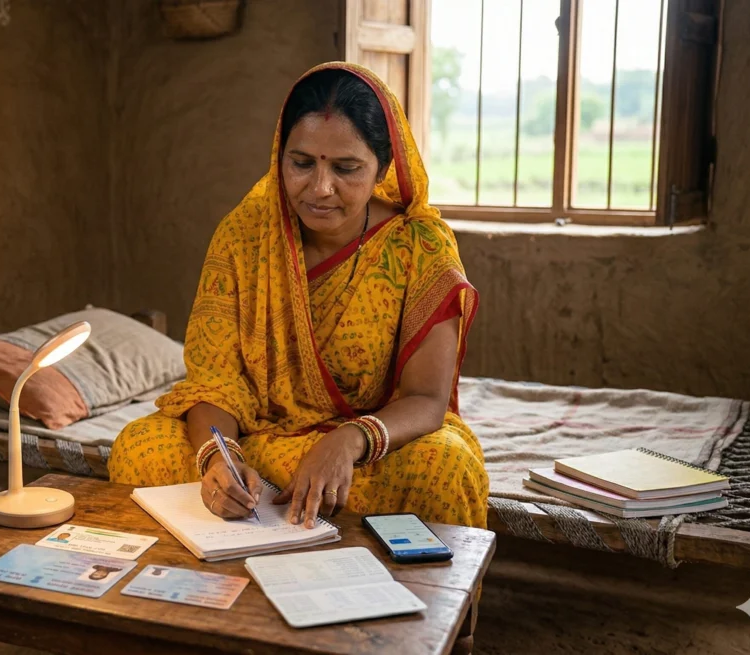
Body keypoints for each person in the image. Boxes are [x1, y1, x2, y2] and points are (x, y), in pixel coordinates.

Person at [108, 62, 489, 531]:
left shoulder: (419, 247)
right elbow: (214, 380)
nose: (320, 189)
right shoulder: (245, 236)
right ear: (279, 156)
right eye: (301, 163)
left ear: (383, 168)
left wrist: (348, 441)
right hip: (255, 438)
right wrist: (218, 458)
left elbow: (427, 400)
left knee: (444, 470)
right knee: (140, 446)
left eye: (346, 168)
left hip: (368, 446)